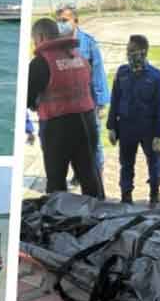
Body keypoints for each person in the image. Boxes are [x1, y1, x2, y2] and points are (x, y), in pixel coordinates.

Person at [26, 18, 104, 198]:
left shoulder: (40, 63)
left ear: (41, 37)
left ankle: (58, 213)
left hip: (57, 125)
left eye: (34, 39)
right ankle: (99, 210)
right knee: (90, 176)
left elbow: (27, 97)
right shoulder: (78, 56)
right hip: (87, 122)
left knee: (56, 182)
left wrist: (34, 105)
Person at [107, 35, 160, 207]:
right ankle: (126, 195)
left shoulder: (156, 76)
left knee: (153, 162)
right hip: (126, 127)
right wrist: (111, 127)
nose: (129, 54)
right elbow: (115, 100)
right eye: (128, 50)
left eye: (132, 50)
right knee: (126, 164)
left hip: (148, 128)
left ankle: (154, 192)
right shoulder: (122, 73)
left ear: (143, 52)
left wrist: (158, 135)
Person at [56, 3, 110, 178]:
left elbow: (98, 72)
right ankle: (78, 173)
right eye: (58, 21)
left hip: (88, 102)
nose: (61, 24)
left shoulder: (88, 43)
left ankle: (97, 173)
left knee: (93, 141)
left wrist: (101, 103)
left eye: (65, 20)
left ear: (76, 21)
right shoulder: (56, 44)